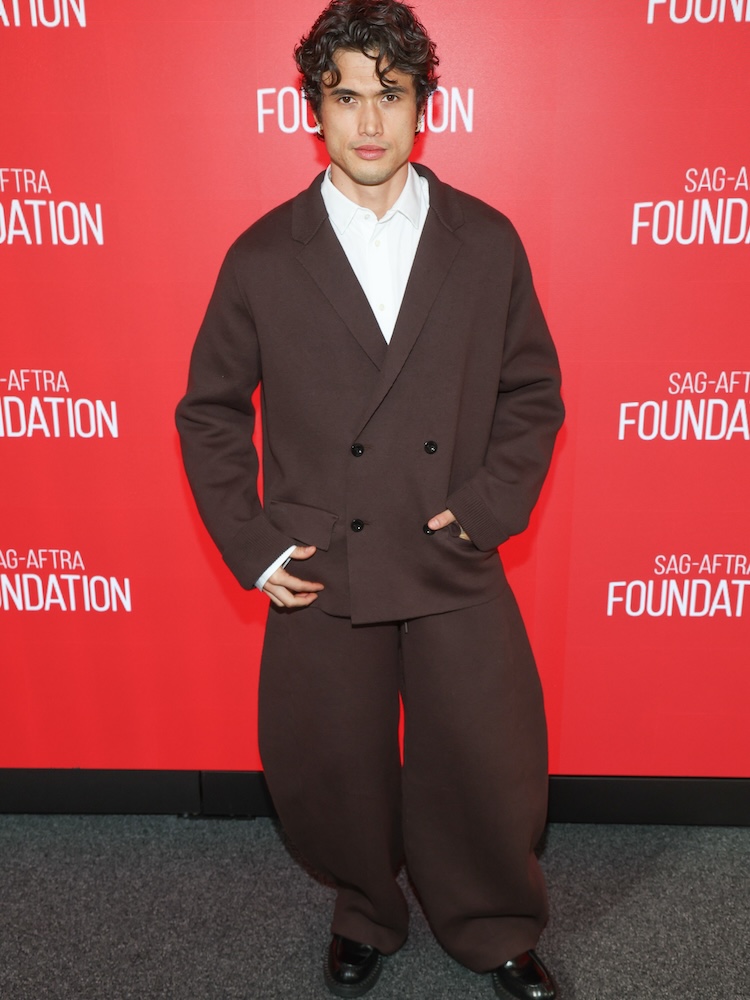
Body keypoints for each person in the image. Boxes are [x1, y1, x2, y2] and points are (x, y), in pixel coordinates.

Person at [176, 2, 564, 996]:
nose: (368, 121)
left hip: (450, 547)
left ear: (422, 105)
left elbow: (533, 394)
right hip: (322, 562)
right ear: (315, 107)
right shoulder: (263, 255)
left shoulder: (486, 241)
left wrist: (485, 506)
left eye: (389, 94)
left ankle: (494, 923)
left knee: (489, 757)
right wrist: (257, 546)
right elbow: (210, 411)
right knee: (329, 763)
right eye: (346, 95)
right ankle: (364, 908)